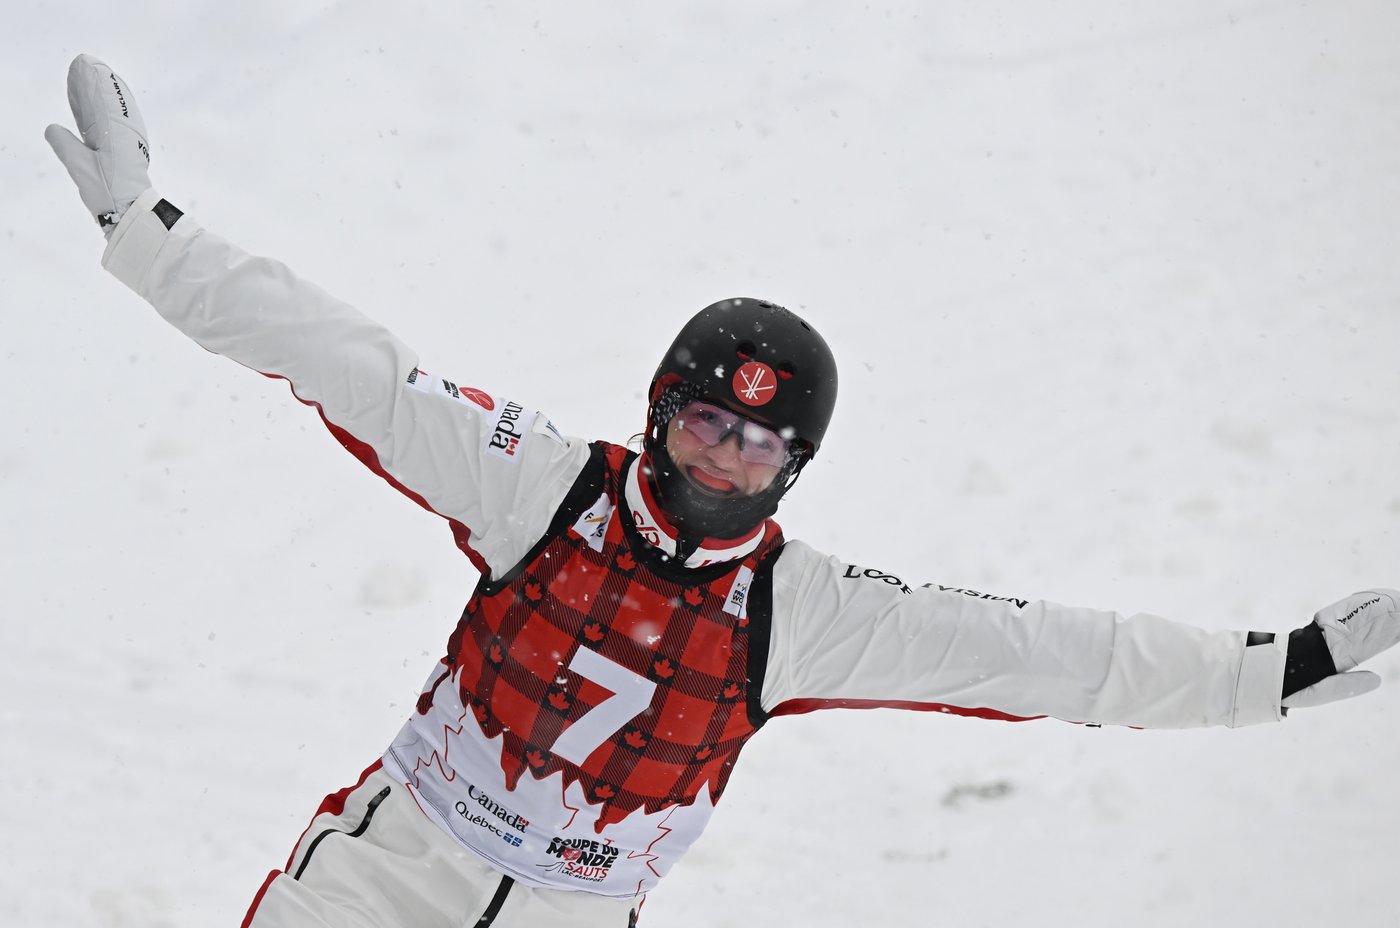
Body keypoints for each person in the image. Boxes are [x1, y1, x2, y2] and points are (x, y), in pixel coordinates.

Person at [46, 54, 1400, 928]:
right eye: (705, 424)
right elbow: (354, 370)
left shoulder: (801, 611)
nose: (721, 463)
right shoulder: (540, 489)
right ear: (659, 410)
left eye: (759, 448)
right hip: (384, 881)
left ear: (795, 467)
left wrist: (1263, 672)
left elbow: (1044, 655)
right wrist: (151, 239)